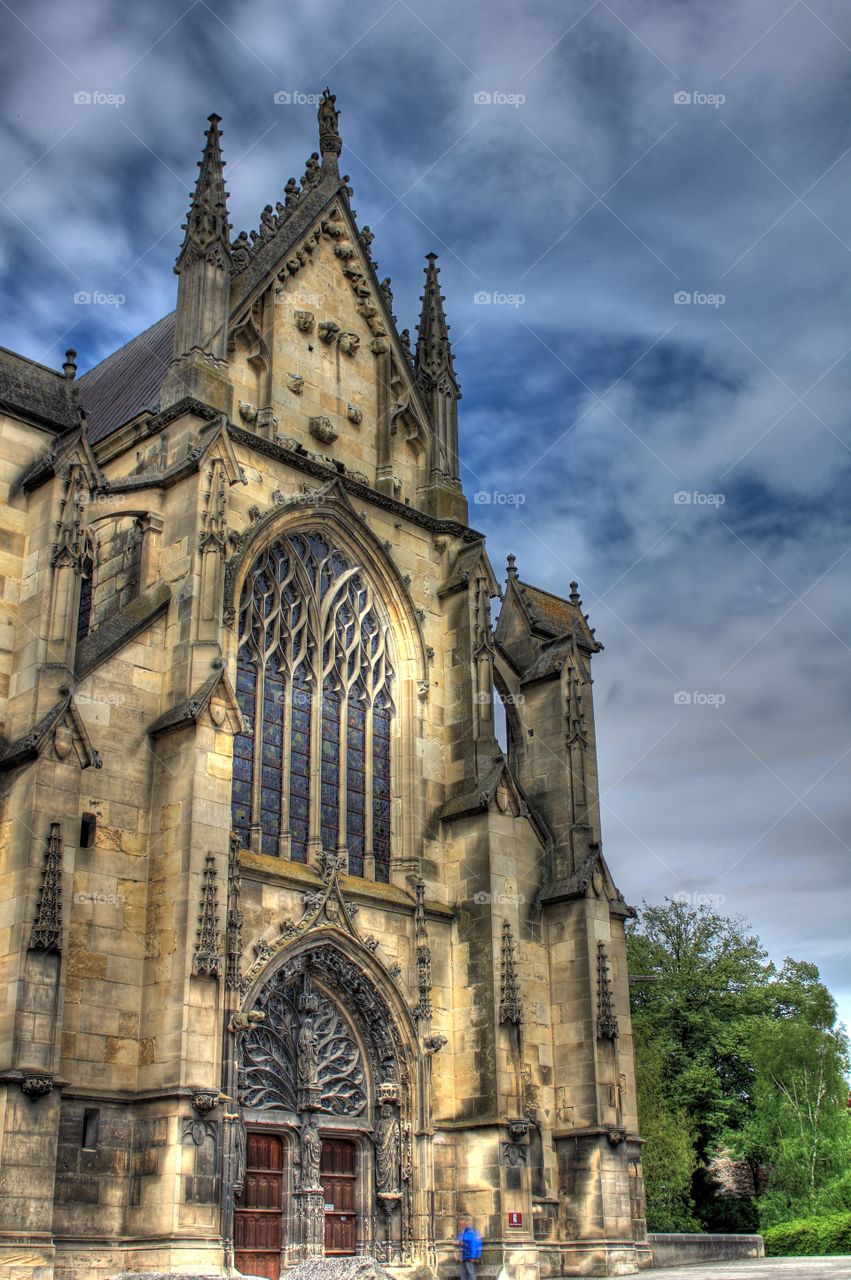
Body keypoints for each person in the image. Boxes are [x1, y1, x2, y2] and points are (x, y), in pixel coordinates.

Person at [457, 1213, 482, 1280]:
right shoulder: (463, 1232)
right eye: (460, 1221)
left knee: (471, 1273)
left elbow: (473, 1245)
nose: (461, 1223)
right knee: (464, 1274)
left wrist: (473, 1257)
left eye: (462, 1221)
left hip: (469, 1257)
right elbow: (462, 1242)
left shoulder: (471, 1232)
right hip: (464, 1256)